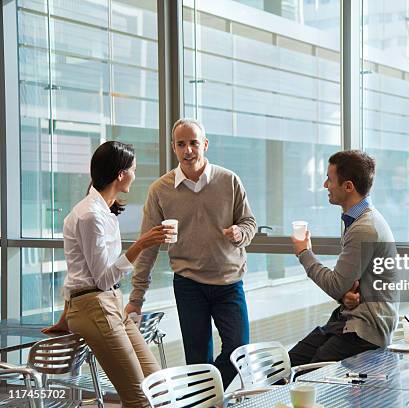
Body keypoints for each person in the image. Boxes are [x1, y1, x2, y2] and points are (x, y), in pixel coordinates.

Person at [124, 118, 257, 388]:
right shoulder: (160, 190)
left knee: (238, 350)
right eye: (181, 144)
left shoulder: (229, 180)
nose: (188, 150)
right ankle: (205, 399)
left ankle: (203, 392)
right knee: (197, 360)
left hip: (229, 282)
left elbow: (249, 223)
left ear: (205, 144)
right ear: (174, 148)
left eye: (194, 143)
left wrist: (240, 234)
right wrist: (136, 298)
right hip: (189, 284)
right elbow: (147, 246)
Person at [44, 141, 174, 408]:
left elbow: (81, 273)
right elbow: (100, 279)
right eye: (134, 169)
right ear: (120, 174)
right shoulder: (90, 215)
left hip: (108, 303)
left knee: (158, 386)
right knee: (139, 397)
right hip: (97, 306)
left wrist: (67, 315)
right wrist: (142, 243)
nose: (135, 175)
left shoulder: (104, 211)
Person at [290, 150, 398, 365]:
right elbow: (346, 288)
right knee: (289, 364)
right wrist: (344, 296)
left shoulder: (364, 228)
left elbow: (336, 285)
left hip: (365, 329)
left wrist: (304, 252)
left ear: (348, 186)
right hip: (348, 319)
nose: (325, 185)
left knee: (306, 375)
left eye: (330, 179)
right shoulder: (361, 220)